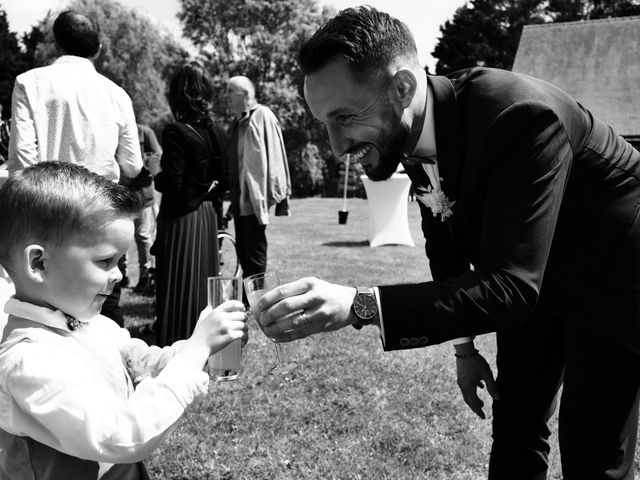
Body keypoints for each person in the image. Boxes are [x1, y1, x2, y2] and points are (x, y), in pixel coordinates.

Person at [255, 6, 640, 480]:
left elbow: (511, 289)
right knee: (516, 423)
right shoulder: (413, 130)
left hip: (610, 276)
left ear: (402, 88)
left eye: (345, 117)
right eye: (324, 124)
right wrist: (463, 347)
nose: (336, 146)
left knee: (591, 453)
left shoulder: (519, 116)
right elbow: (445, 242)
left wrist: (362, 305)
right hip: (525, 276)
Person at [0, 162, 248, 479]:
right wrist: (196, 350)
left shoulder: (93, 324)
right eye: (105, 261)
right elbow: (122, 435)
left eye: (120, 260)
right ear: (38, 263)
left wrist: (203, 351)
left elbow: (141, 362)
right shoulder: (27, 362)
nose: (118, 275)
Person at [6, 9, 143, 328]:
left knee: (45, 311)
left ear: (55, 43)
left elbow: (22, 163)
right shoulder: (116, 94)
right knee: (105, 306)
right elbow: (133, 165)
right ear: (98, 47)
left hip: (48, 216)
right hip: (102, 216)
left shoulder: (30, 83)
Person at [152, 62, 228, 347]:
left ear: (177, 95)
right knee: (202, 282)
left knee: (177, 281)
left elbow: (172, 183)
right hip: (207, 215)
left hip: (181, 218)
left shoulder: (174, 131)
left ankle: (175, 341)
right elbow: (226, 179)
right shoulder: (219, 131)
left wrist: (156, 174)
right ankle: (203, 341)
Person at [225, 76, 291, 281]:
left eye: (230, 91)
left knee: (254, 250)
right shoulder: (236, 123)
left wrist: (274, 193)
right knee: (244, 249)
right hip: (238, 194)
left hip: (254, 194)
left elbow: (276, 156)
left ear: (245, 95)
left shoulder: (262, 115)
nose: (225, 96)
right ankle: (249, 297)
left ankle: (258, 299)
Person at [124, 123, 162, 294]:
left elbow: (158, 156)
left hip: (141, 193)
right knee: (120, 236)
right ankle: (121, 276)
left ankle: (145, 278)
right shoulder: (118, 127)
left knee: (142, 236)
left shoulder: (145, 132)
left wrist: (144, 163)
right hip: (120, 192)